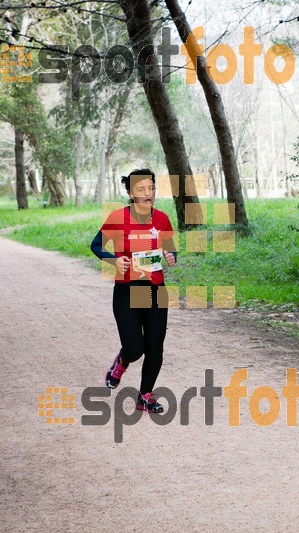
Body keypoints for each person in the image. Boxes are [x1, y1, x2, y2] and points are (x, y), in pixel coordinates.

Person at [90, 168, 177, 413]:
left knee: (155, 346)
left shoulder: (161, 219)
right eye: (141, 189)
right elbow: (96, 245)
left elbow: (170, 248)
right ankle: (121, 361)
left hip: (155, 290)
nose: (148, 194)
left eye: (151, 188)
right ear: (130, 192)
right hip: (127, 290)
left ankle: (145, 396)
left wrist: (172, 256)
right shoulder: (118, 218)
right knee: (134, 348)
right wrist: (113, 260)